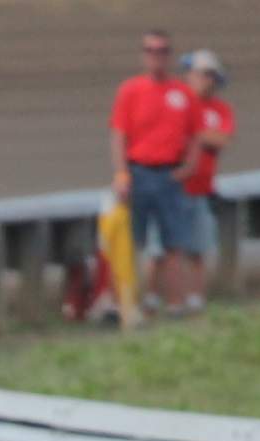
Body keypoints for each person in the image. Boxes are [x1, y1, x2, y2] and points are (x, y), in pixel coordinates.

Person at [109, 28, 201, 317]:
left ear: (169, 56)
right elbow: (118, 134)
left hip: (169, 175)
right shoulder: (130, 90)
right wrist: (122, 174)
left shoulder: (183, 94)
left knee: (174, 244)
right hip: (138, 173)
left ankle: (175, 303)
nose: (156, 57)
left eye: (161, 51)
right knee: (129, 243)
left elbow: (196, 134)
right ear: (143, 55)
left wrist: (189, 167)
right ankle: (124, 304)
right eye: (150, 51)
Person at [169, 49, 234, 315]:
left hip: (202, 189)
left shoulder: (220, 110)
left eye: (209, 76)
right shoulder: (177, 103)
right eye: (199, 75)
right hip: (174, 187)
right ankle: (170, 299)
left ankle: (195, 298)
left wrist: (197, 134)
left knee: (198, 248)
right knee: (168, 249)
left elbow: (222, 139)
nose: (204, 81)